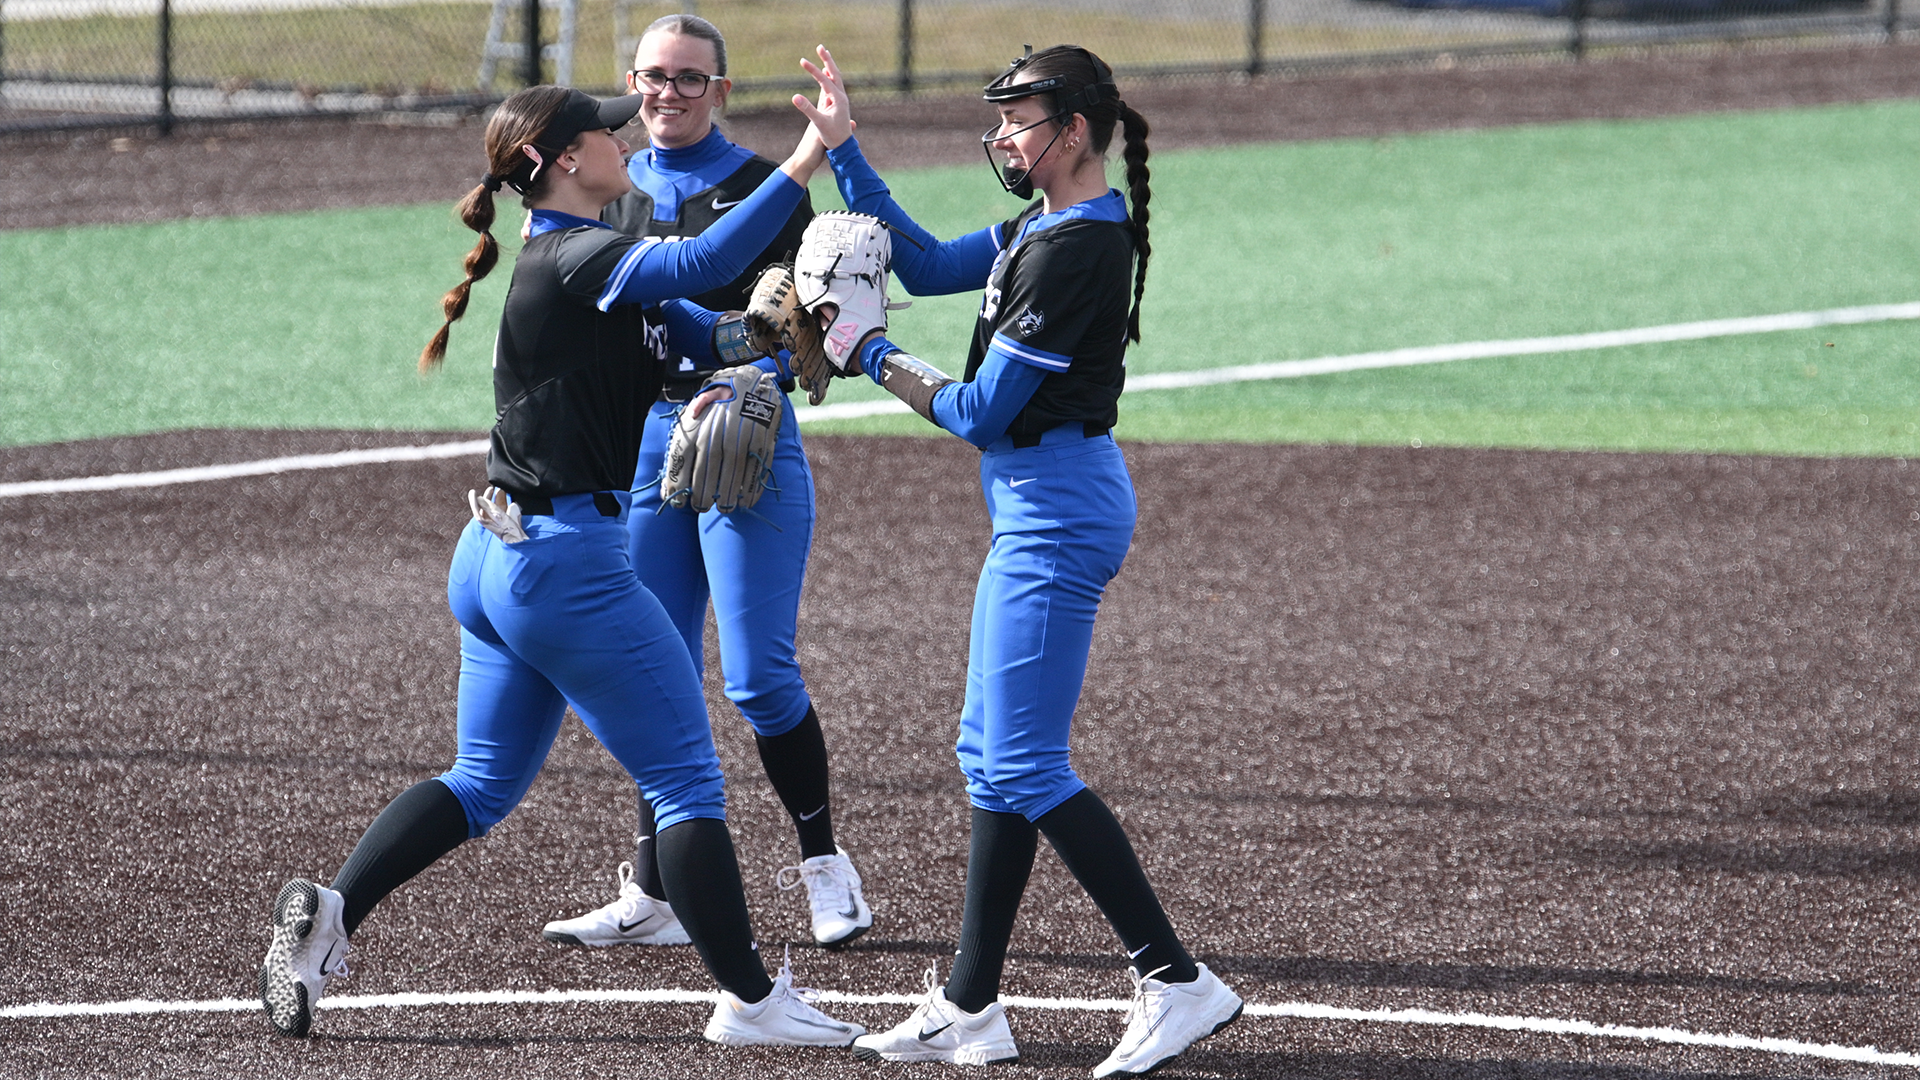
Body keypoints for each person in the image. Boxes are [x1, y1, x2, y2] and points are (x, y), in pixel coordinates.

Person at [255, 83, 864, 1050]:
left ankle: (330, 915)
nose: (627, 139)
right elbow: (702, 257)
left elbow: (692, 332)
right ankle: (753, 1002)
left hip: (496, 558)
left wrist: (764, 331)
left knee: (482, 782)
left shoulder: (580, 266)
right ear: (567, 162)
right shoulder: (580, 255)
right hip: (569, 567)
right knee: (687, 787)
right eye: (607, 133)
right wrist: (805, 158)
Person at [790, 45, 1243, 1075]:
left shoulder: (1077, 250)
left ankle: (1175, 980)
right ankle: (970, 1005)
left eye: (1019, 121)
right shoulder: (1043, 226)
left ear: (1072, 133)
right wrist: (846, 147)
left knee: (1025, 763)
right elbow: (921, 262)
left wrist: (867, 352)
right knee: (987, 754)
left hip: (1059, 511)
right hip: (1036, 504)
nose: (1001, 136)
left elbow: (983, 414)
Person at [539, 13, 872, 954]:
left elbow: (821, 337)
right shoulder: (605, 186)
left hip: (748, 444)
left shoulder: (761, 188)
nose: (668, 93)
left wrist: (765, 364)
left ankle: (823, 866)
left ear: (721, 91)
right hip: (642, 450)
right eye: (654, 76)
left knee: (760, 677)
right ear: (632, 83)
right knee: (657, 674)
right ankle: (653, 890)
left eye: (690, 78)